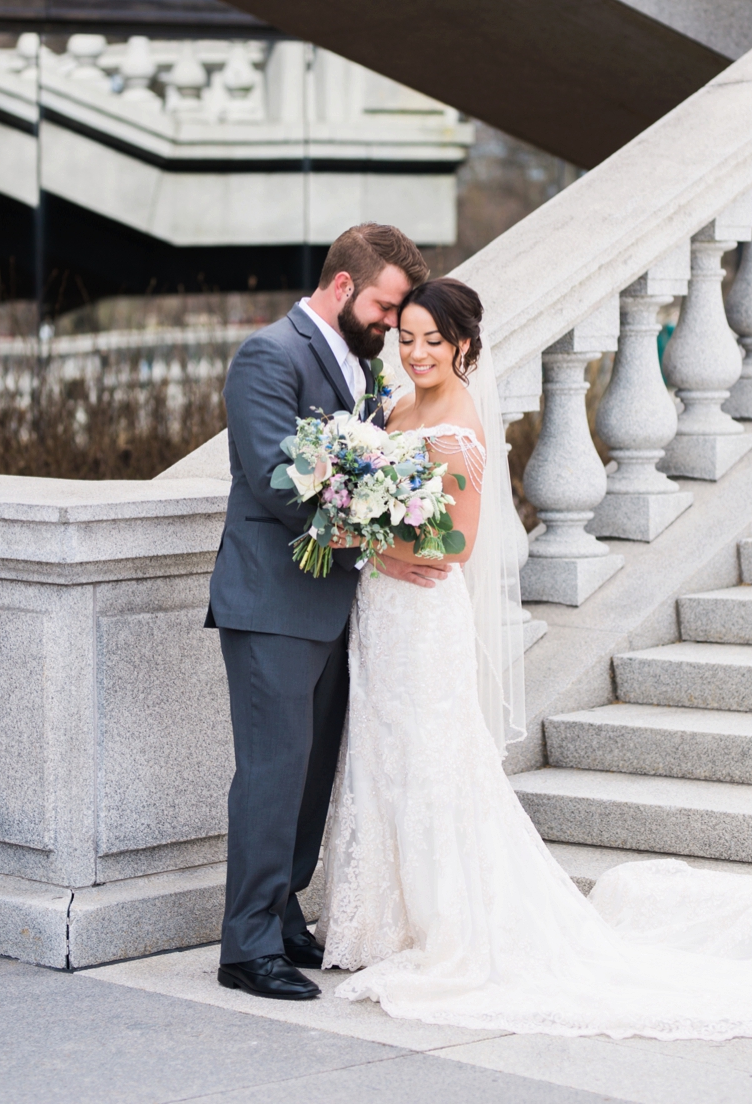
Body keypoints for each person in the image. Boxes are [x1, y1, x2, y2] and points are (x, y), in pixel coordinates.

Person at [315, 278, 752, 1038]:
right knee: (382, 746)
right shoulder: (396, 408)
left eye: (433, 340)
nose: (416, 352)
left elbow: (459, 542)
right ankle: (380, 922)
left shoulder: (461, 420)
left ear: (465, 345)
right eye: (407, 338)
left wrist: (372, 542)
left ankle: (446, 926)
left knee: (431, 755)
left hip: (421, 612)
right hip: (383, 615)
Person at [208, 223, 439, 1000]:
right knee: (272, 773)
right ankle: (245, 947)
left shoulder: (362, 366)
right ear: (343, 287)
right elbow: (280, 484)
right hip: (272, 600)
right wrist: (387, 548)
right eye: (384, 307)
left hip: (339, 607)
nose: (390, 324)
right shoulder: (267, 355)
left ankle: (281, 915)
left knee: (311, 777)